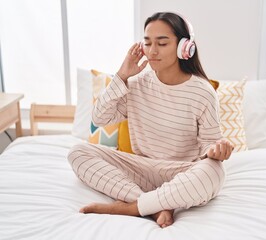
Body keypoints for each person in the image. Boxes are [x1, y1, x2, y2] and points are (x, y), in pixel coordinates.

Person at [67, 12, 234, 228]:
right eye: (147, 43)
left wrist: (217, 150)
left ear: (185, 47)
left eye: (162, 43)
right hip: (141, 170)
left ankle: (132, 207)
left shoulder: (202, 92)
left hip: (182, 172)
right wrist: (121, 75)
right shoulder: (135, 82)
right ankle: (154, 205)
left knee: (214, 171)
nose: (152, 51)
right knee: (78, 152)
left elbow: (209, 146)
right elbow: (99, 118)